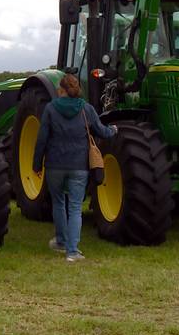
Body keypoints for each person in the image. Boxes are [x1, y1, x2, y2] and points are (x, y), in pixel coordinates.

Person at [32, 74, 117, 262]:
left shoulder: (50, 109)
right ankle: (72, 251)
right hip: (79, 166)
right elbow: (102, 131)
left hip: (54, 165)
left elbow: (41, 139)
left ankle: (61, 241)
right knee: (76, 207)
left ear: (61, 90)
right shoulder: (86, 109)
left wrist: (36, 164)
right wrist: (114, 130)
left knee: (59, 203)